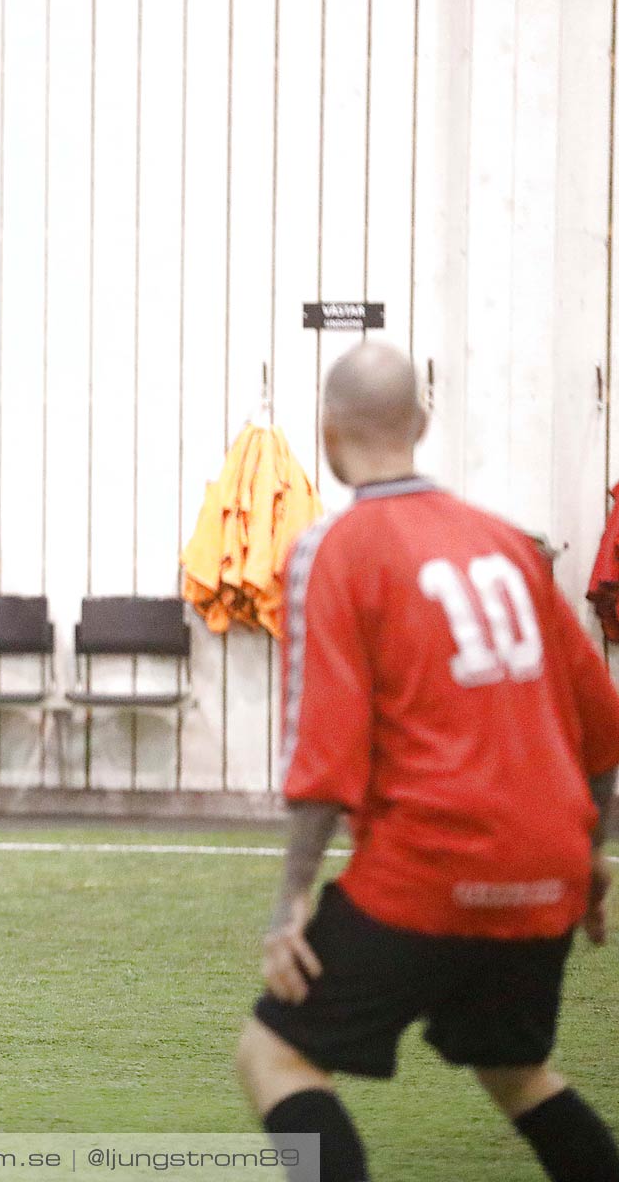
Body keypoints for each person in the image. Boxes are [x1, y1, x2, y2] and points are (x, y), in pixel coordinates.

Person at [235, 343, 619, 1182]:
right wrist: (589, 853)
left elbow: (324, 749)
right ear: (422, 423)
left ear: (327, 433)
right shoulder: (511, 546)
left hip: (431, 865)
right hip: (546, 865)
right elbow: (602, 723)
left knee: (274, 1056)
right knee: (516, 1073)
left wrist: (291, 901)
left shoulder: (335, 548)